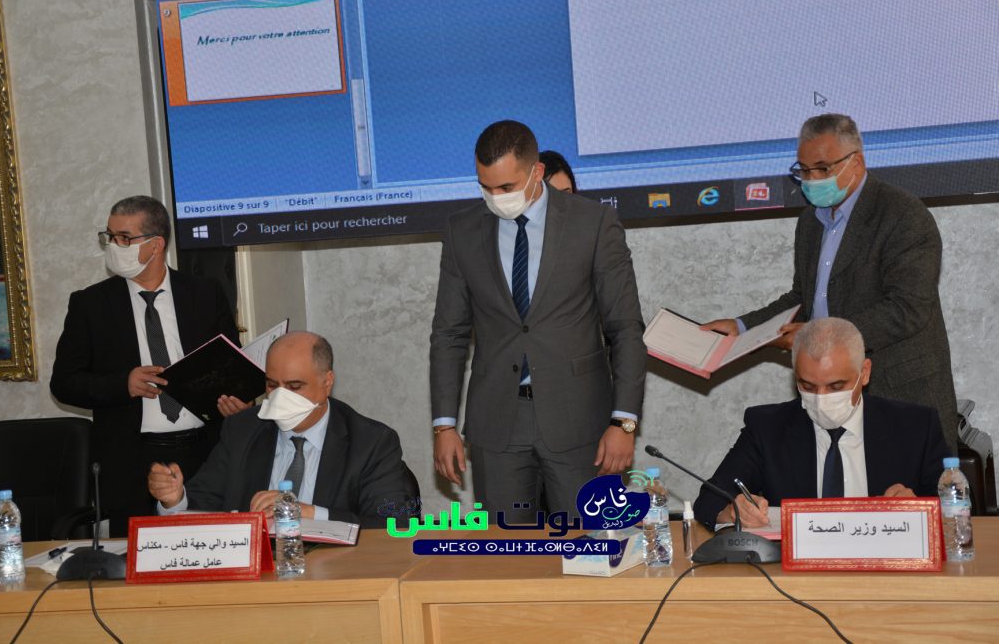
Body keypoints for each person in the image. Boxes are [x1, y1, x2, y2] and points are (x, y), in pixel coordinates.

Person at [430, 120, 646, 523]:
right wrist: (444, 426)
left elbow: (626, 329)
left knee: (590, 546)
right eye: (486, 187)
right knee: (507, 553)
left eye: (506, 187)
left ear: (537, 173)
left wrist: (624, 422)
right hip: (497, 424)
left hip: (580, 422)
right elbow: (449, 334)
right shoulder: (462, 230)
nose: (496, 198)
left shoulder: (593, 223)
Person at [702, 113, 958, 453]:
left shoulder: (903, 215)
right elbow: (801, 298)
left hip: (898, 393)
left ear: (857, 162)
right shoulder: (810, 221)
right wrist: (741, 327)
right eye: (804, 171)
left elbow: (906, 309)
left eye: (822, 169)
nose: (812, 180)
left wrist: (817, 336)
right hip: (829, 399)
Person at [51, 196, 240, 537]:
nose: (113, 246)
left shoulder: (205, 293)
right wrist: (122, 384)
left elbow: (232, 365)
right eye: (109, 236)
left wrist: (237, 400)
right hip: (131, 458)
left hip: (205, 452)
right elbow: (64, 383)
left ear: (156, 244)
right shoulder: (90, 304)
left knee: (211, 548)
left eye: (125, 238)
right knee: (137, 557)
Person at [694, 318, 950, 529]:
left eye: (836, 386)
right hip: (796, 571)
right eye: (808, 386)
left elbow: (955, 505)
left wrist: (919, 507)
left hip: (887, 566)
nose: (821, 398)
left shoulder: (915, 426)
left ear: (864, 373)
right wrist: (732, 511)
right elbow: (709, 500)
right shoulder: (768, 427)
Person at [149, 332, 419, 528]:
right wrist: (175, 500)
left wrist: (310, 514)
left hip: (336, 573)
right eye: (271, 385)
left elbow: (393, 523)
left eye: (294, 386)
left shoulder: (371, 441)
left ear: (327, 383)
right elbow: (202, 503)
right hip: (256, 574)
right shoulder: (243, 429)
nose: (279, 397)